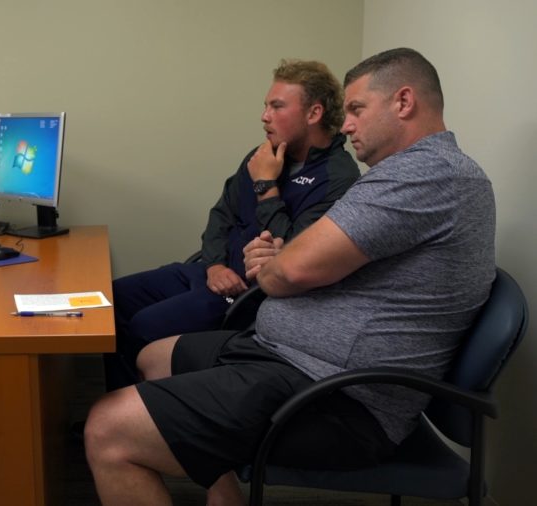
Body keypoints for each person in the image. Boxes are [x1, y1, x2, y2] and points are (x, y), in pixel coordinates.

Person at [85, 47, 496, 506]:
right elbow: (300, 249)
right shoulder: (403, 175)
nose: (346, 124)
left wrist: (281, 261)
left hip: (338, 397)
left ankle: (159, 450)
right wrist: (283, 256)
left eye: (358, 109)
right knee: (154, 358)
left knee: (107, 428)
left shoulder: (426, 175)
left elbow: (287, 273)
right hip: (290, 358)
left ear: (403, 102)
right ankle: (224, 494)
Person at [107, 59, 360, 390]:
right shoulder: (262, 156)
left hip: (247, 296)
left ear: (313, 114)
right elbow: (221, 215)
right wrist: (213, 266)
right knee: (110, 301)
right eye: (265, 105)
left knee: (142, 327)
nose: (264, 115)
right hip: (210, 272)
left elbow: (295, 253)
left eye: (277, 106)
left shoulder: (340, 179)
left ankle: (136, 419)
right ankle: (112, 404)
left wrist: (266, 186)